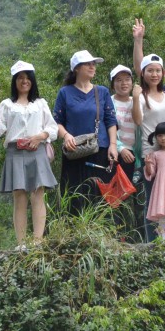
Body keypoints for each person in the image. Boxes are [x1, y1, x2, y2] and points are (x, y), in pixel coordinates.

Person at [0, 61, 58, 249]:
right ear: (15, 81)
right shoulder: (7, 105)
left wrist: (40, 136)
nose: (24, 81)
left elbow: (52, 128)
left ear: (32, 81)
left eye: (27, 78)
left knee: (37, 194)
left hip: (37, 150)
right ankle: (21, 243)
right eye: (20, 78)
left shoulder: (40, 103)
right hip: (15, 152)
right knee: (19, 196)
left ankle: (38, 240)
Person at [53, 50, 119, 215]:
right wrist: (66, 136)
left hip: (100, 149)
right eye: (88, 64)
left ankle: (102, 236)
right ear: (76, 68)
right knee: (74, 194)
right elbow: (56, 122)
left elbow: (111, 120)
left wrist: (113, 145)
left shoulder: (102, 91)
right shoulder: (65, 93)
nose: (92, 67)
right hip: (74, 151)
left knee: (100, 195)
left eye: (93, 64)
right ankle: (76, 234)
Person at [132, 52, 165, 241]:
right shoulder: (141, 96)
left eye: (157, 71)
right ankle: (153, 243)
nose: (154, 74)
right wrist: (136, 98)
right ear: (143, 73)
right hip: (150, 153)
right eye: (150, 71)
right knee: (153, 197)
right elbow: (138, 121)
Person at [109, 64, 142, 240]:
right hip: (118, 154)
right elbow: (108, 128)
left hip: (137, 157)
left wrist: (136, 99)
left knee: (138, 198)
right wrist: (121, 148)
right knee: (117, 198)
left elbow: (140, 123)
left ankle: (137, 236)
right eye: (119, 80)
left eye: (127, 79)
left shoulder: (137, 100)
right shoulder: (109, 102)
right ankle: (118, 236)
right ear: (113, 83)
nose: (123, 83)